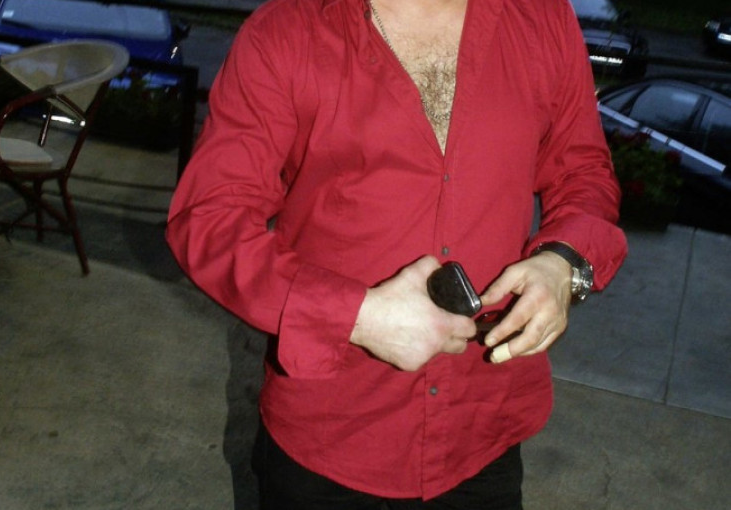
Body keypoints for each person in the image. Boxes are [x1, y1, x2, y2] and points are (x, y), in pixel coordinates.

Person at [166, 0, 628, 507]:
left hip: (482, 428)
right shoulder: (286, 31)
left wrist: (563, 261)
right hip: (329, 434)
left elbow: (582, 172)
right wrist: (358, 316)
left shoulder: (542, 18)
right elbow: (210, 219)